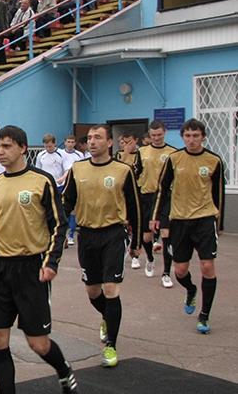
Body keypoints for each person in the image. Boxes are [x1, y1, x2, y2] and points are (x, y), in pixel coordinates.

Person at [0, 125, 77, 394]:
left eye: (7, 146)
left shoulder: (42, 180)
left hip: (31, 269)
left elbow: (59, 225)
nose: (0, 152)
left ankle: (63, 370)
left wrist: (51, 262)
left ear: (23, 148)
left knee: (38, 343)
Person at [62, 125, 140, 368]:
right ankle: (107, 315)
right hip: (87, 235)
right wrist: (59, 232)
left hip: (113, 234)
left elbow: (135, 208)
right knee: (93, 292)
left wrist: (137, 242)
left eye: (98, 137)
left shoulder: (123, 170)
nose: (92, 141)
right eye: (90, 138)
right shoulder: (77, 169)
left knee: (110, 288)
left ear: (109, 143)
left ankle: (110, 346)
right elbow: (66, 203)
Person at [151, 119, 225, 334]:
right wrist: (156, 217)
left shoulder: (214, 160)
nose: (192, 140)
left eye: (196, 136)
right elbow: (162, 189)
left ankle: (204, 315)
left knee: (207, 267)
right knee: (180, 271)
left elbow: (218, 193)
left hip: (204, 220)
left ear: (203, 137)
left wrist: (218, 223)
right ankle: (191, 290)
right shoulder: (174, 159)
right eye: (188, 136)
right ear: (183, 137)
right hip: (179, 221)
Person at [137, 120, 177, 288]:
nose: (156, 138)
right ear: (149, 135)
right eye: (153, 135)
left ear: (164, 132)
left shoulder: (172, 153)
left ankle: (166, 273)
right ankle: (150, 258)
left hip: (165, 198)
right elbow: (136, 172)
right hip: (147, 197)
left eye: (159, 134)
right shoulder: (142, 151)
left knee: (166, 234)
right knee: (146, 237)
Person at [58, 135, 84, 246]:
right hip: (60, 185)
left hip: (74, 185)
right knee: (62, 210)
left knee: (73, 211)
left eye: (72, 142)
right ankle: (61, 235)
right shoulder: (59, 153)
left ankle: (71, 234)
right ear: (65, 142)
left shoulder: (79, 155)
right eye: (68, 141)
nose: (70, 144)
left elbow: (80, 170)